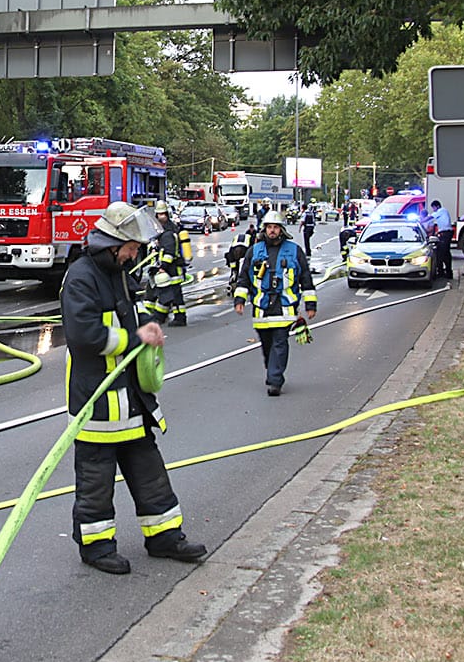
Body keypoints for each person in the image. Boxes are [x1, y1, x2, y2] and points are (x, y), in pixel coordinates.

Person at [62, 201, 207, 575]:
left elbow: (132, 316)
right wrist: (133, 338)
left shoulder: (119, 273)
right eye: (132, 247)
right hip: (98, 402)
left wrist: (150, 326)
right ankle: (95, 547)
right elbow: (85, 336)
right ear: (112, 244)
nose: (136, 253)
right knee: (95, 481)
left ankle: (164, 538)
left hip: (132, 399)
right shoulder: (81, 277)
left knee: (150, 472)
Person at [233, 210, 317, 397]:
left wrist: (310, 305)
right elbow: (243, 278)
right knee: (267, 345)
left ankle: (275, 380)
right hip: (261, 309)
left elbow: (306, 278)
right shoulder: (254, 252)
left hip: (285, 307)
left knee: (280, 344)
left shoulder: (294, 251)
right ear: (265, 229)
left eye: (276, 227)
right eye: (269, 227)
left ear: (282, 230)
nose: (272, 231)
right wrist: (239, 300)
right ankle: (272, 370)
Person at [428, 200, 455, 279]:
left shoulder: (441, 211)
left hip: (446, 234)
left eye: (433, 208)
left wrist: (419, 220)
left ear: (437, 206)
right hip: (444, 233)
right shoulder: (442, 213)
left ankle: (444, 272)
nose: (433, 209)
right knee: (445, 253)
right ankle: (446, 272)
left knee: (442, 253)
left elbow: (430, 217)